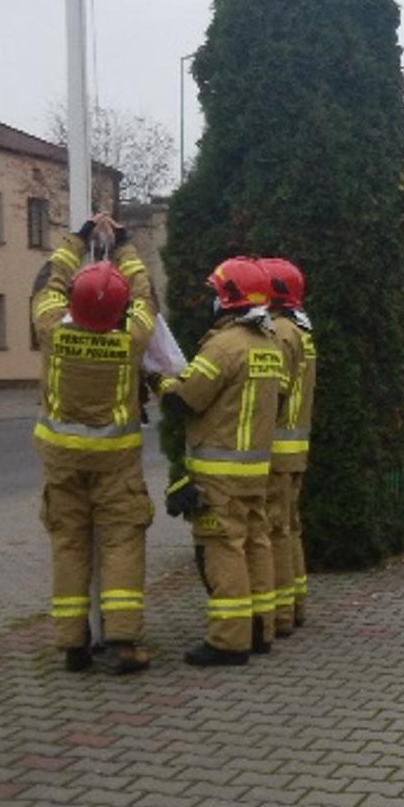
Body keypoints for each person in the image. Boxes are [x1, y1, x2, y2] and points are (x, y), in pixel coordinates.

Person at [30, 214, 155, 673]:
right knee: (121, 543)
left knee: (69, 544)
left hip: (62, 461)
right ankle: (122, 641)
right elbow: (145, 297)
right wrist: (123, 246)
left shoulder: (53, 330)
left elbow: (47, 283)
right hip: (116, 464)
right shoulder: (131, 339)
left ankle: (72, 644)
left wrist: (79, 240)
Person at [157, 257, 283, 665]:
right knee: (256, 545)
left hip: (220, 474)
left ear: (229, 298)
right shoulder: (269, 345)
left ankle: (229, 640)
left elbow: (187, 398)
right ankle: (260, 629)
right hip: (254, 471)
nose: (211, 299)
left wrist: (160, 381)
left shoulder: (224, 345)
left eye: (215, 292)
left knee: (223, 550)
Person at [257, 257, 316, 635]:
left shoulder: (279, 332)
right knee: (289, 528)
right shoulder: (301, 330)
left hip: (276, 450)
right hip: (294, 450)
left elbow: (271, 392)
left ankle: (278, 615)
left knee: (274, 530)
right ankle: (294, 605)